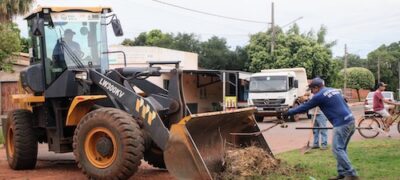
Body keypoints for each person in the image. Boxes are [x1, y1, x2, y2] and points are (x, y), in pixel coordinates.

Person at [284, 77, 358, 180]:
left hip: (342, 124)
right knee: (342, 149)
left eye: (312, 90)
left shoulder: (319, 96)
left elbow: (305, 107)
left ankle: (351, 174)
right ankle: (342, 173)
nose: (312, 92)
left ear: (316, 87)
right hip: (351, 120)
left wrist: (289, 112)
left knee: (337, 149)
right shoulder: (333, 90)